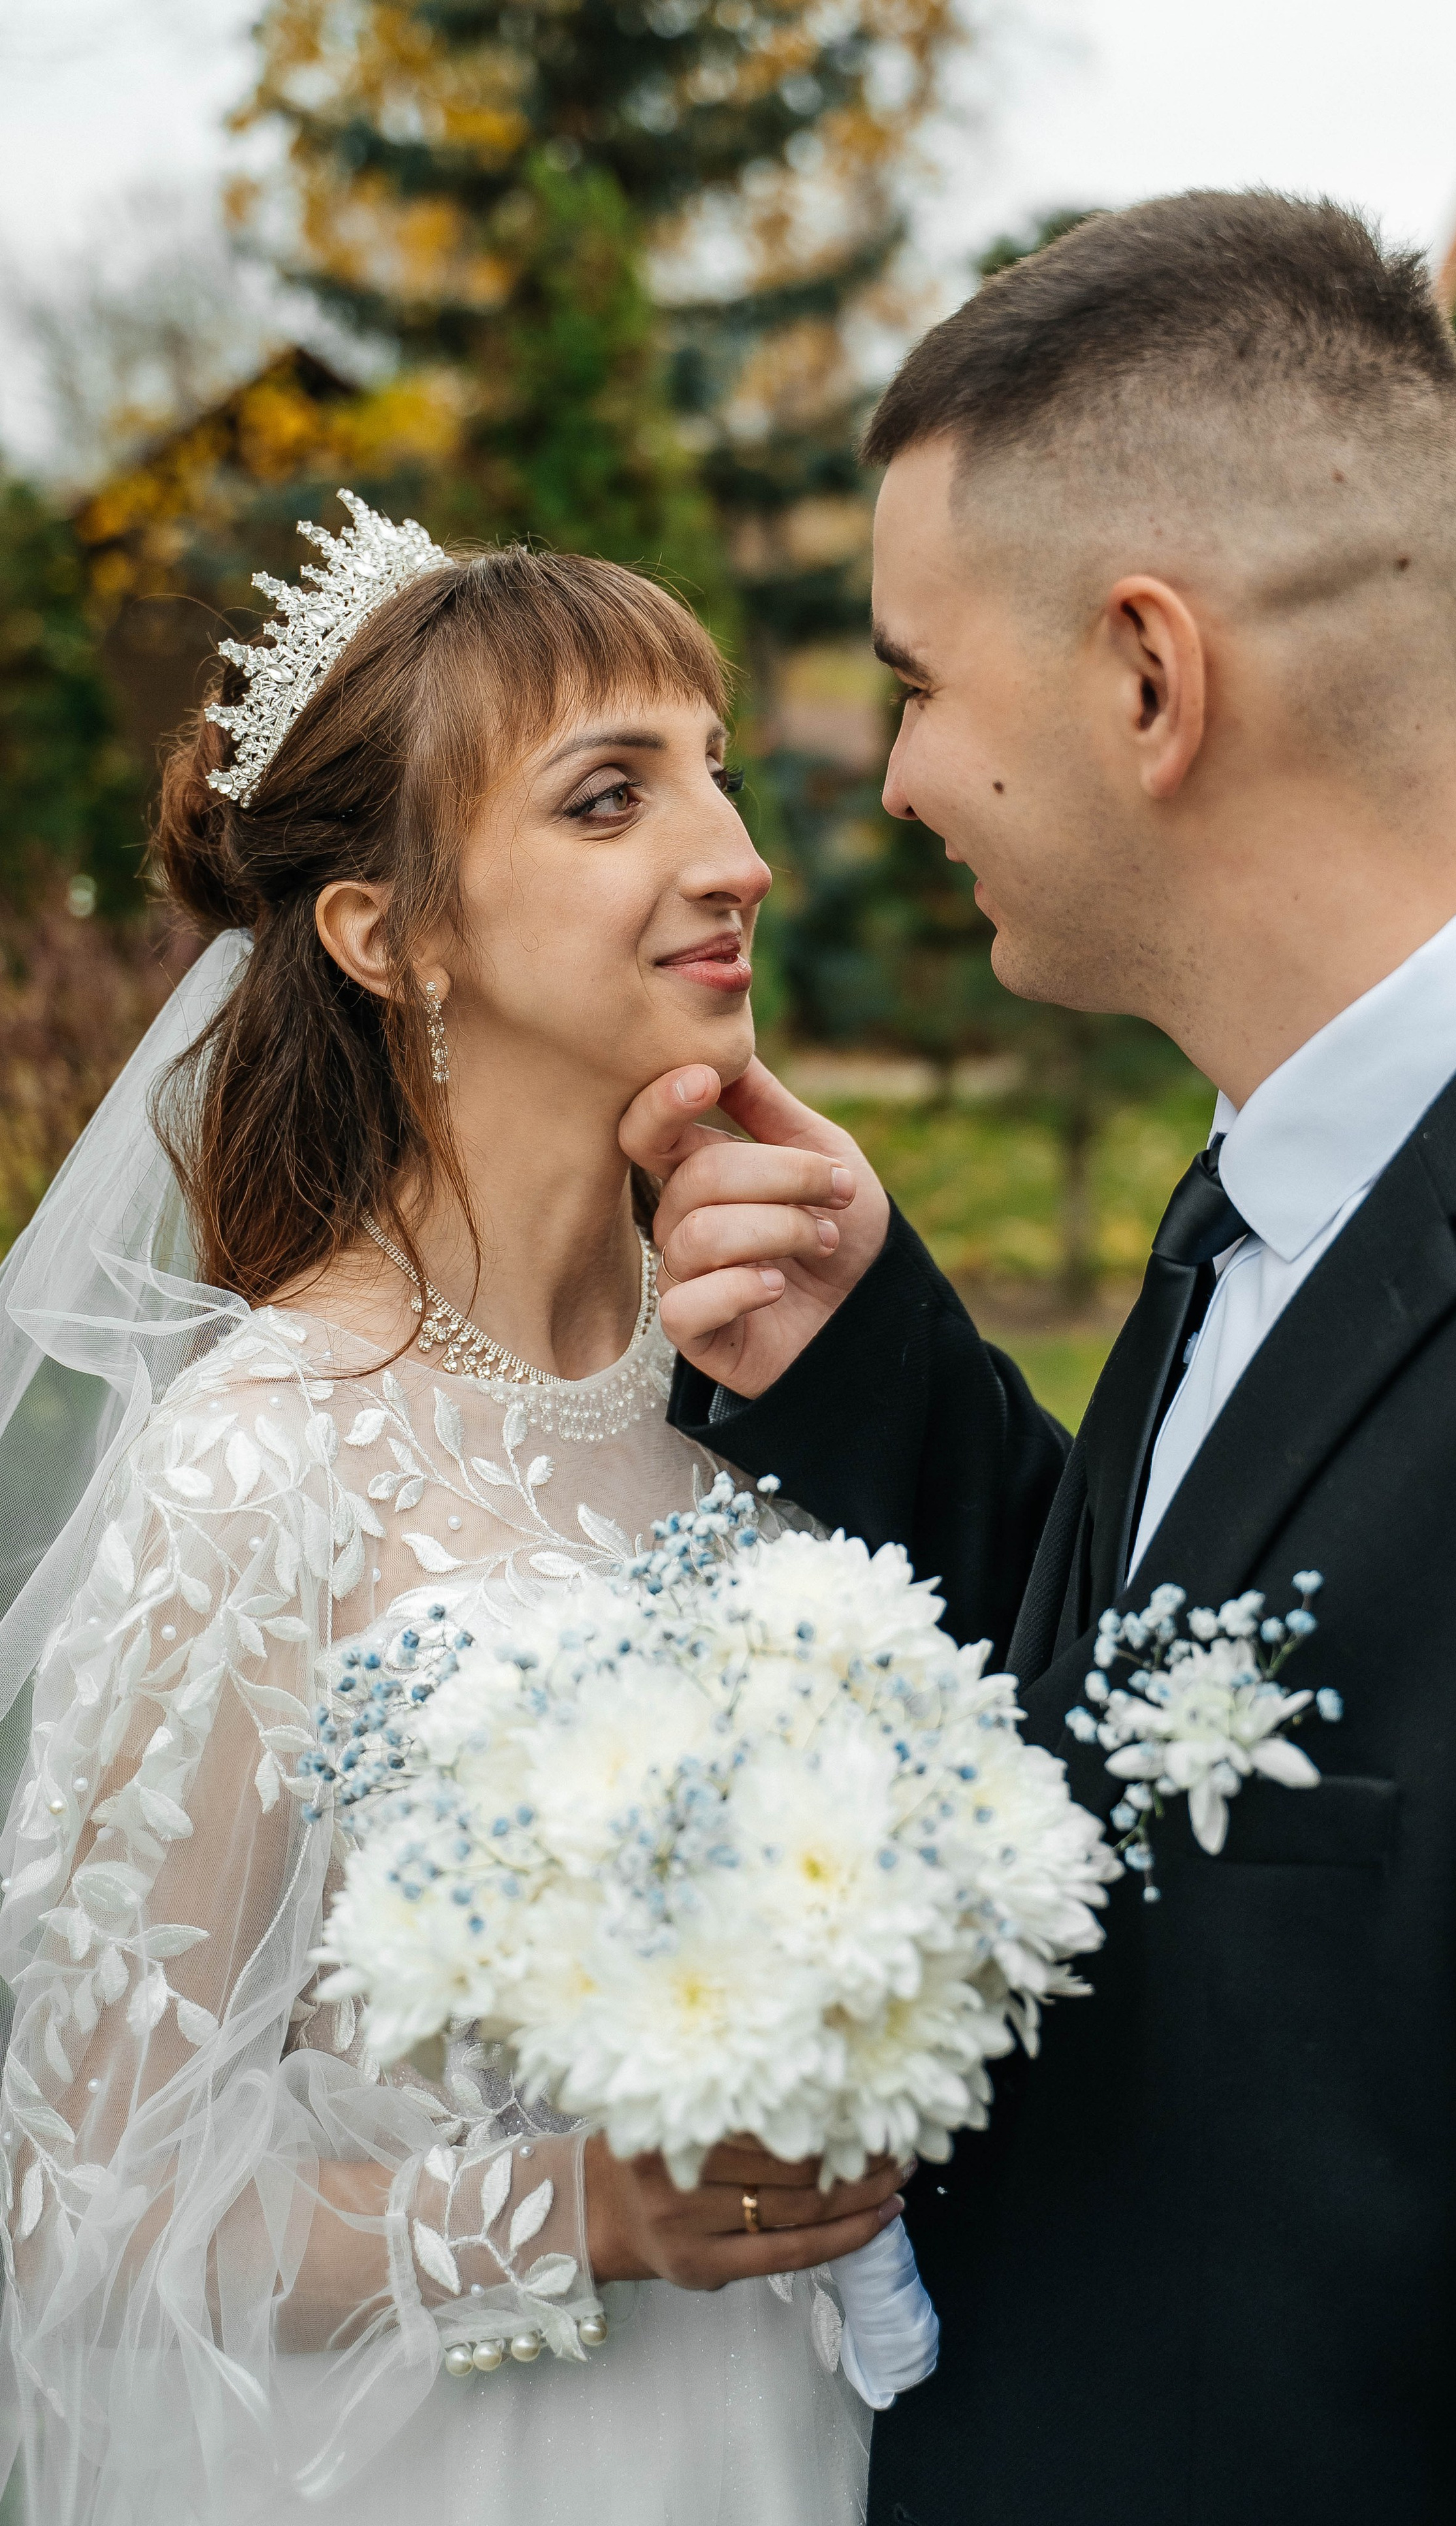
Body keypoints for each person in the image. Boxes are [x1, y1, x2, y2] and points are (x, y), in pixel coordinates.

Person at [622, 193, 1456, 2523]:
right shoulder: (1284, 1162)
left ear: (1145, 681)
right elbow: (1153, 1707)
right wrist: (880, 1359)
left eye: (914, 680)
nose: (885, 784)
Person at [0, 501, 911, 2525]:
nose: (735, 855)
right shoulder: (263, 1460)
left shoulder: (785, 1384)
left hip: (803, 2435)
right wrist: (576, 2208)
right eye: (613, 797)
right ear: (386, 931)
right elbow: (85, 2202)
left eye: (717, 771)